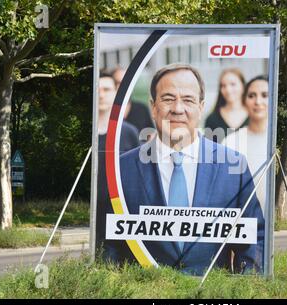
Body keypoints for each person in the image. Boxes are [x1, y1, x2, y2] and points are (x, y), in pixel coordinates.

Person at [106, 64, 265, 275]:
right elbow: (109, 246)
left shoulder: (233, 166)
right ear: (153, 106)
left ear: (201, 107)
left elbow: (253, 240)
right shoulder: (121, 170)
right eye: (168, 99)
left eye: (188, 100)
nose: (178, 108)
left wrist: (242, 291)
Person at [96, 71, 140, 253]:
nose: (101, 94)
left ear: (116, 93)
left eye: (106, 89)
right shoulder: (86, 134)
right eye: (97, 90)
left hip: (118, 213)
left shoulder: (129, 132)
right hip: (90, 214)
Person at [222, 76, 269, 211]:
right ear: (244, 101)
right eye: (251, 96)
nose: (258, 101)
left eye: (265, 95)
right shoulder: (230, 142)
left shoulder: (280, 143)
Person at [204, 69, 248, 143]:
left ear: (243, 86)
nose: (228, 89)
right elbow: (208, 150)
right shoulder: (212, 119)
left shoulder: (254, 116)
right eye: (223, 86)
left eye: (233, 84)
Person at [113, 67, 155, 138]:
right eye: (118, 83)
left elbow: (151, 134)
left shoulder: (141, 109)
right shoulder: (106, 111)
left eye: (127, 82)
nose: (124, 86)